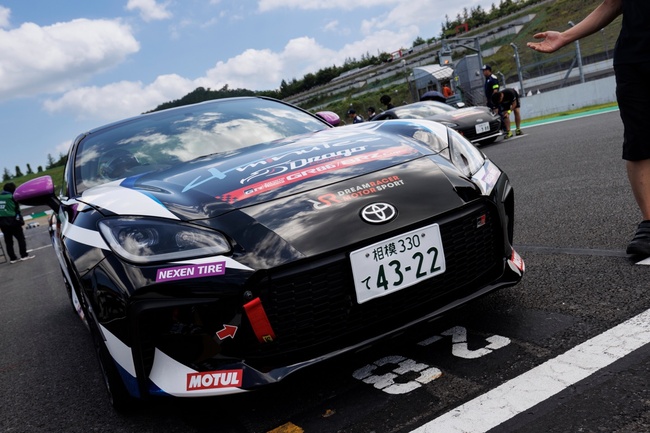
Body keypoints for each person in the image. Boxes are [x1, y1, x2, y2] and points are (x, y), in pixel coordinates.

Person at [527, 0, 650, 255]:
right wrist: (565, 37)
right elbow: (613, 3)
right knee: (638, 142)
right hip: (633, 59)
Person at [0, 182, 35, 264]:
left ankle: (13, 258)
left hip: (2, 222)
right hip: (13, 221)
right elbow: (17, 210)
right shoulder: (12, 197)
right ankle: (24, 255)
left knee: (8, 241)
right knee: (20, 239)